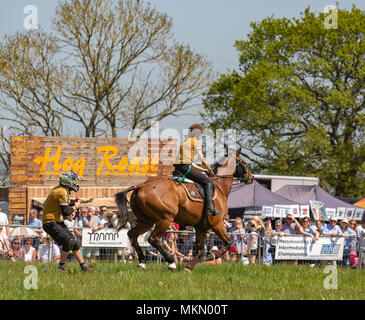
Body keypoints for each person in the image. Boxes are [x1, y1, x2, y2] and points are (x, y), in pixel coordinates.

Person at [42, 170, 93, 272]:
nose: (75, 183)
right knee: (69, 241)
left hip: (55, 221)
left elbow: (65, 205)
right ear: (68, 181)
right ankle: (62, 266)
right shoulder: (62, 191)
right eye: (74, 180)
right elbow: (66, 212)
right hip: (50, 222)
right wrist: (76, 206)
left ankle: (84, 266)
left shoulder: (61, 190)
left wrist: (79, 202)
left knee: (75, 243)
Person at [173, 123, 221, 216]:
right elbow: (203, 160)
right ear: (198, 134)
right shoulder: (195, 141)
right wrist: (210, 170)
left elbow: (191, 162)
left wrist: (203, 170)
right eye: (201, 134)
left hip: (178, 169)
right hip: (185, 168)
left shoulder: (185, 142)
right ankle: (210, 207)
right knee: (209, 183)